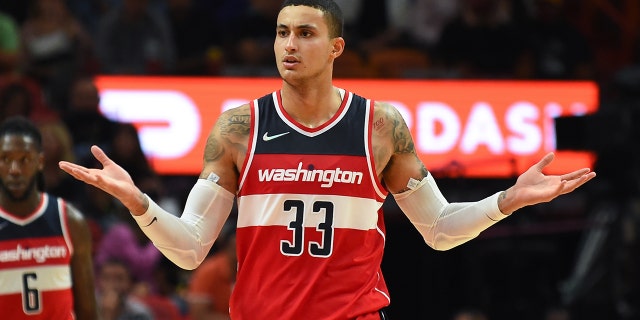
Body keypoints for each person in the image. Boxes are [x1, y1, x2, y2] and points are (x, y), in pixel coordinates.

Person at [58, 0, 596, 319]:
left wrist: (507, 200)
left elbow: (437, 228)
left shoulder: (379, 125)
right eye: (281, 32)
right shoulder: (239, 126)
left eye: (305, 33)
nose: (289, 44)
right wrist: (139, 203)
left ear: (336, 48)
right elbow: (192, 249)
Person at [0, 116, 98, 319]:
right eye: (6, 159)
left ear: (40, 161)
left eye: (24, 159)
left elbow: (88, 311)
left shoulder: (70, 221)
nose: (15, 170)